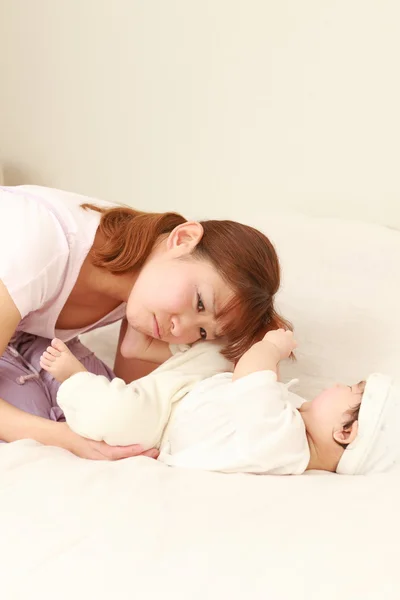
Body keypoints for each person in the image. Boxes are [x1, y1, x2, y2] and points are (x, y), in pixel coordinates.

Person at [0, 184, 288, 459]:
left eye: (202, 332)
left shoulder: (144, 278)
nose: (181, 329)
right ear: (183, 238)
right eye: (199, 301)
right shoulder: (41, 246)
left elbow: (136, 400)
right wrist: (64, 439)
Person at [39, 329, 399, 475]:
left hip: (161, 425)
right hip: (195, 389)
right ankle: (149, 350)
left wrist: (273, 348)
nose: (337, 383)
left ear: (346, 430)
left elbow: (253, 375)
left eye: (351, 388)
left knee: (113, 415)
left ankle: (75, 379)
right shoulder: (297, 430)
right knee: (217, 350)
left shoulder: (284, 443)